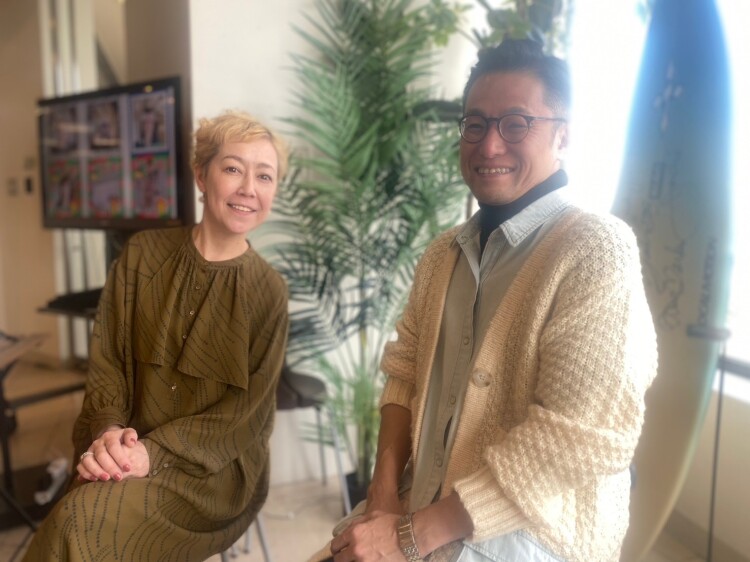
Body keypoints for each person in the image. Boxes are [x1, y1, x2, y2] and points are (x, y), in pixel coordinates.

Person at [315, 39, 658, 562]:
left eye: (516, 123)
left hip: (530, 536)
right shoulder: (443, 254)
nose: (489, 145)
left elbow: (578, 439)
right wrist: (381, 499)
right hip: (417, 505)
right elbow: (404, 373)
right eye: (475, 125)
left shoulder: (595, 250)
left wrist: (410, 537)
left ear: (563, 135)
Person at [24, 110, 290, 561]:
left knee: (78, 520)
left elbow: (245, 416)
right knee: (82, 513)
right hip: (123, 444)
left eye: (264, 176)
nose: (249, 188)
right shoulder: (142, 255)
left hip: (211, 473)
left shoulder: (269, 291)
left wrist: (152, 453)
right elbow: (107, 362)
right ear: (201, 175)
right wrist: (110, 434)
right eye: (233, 169)